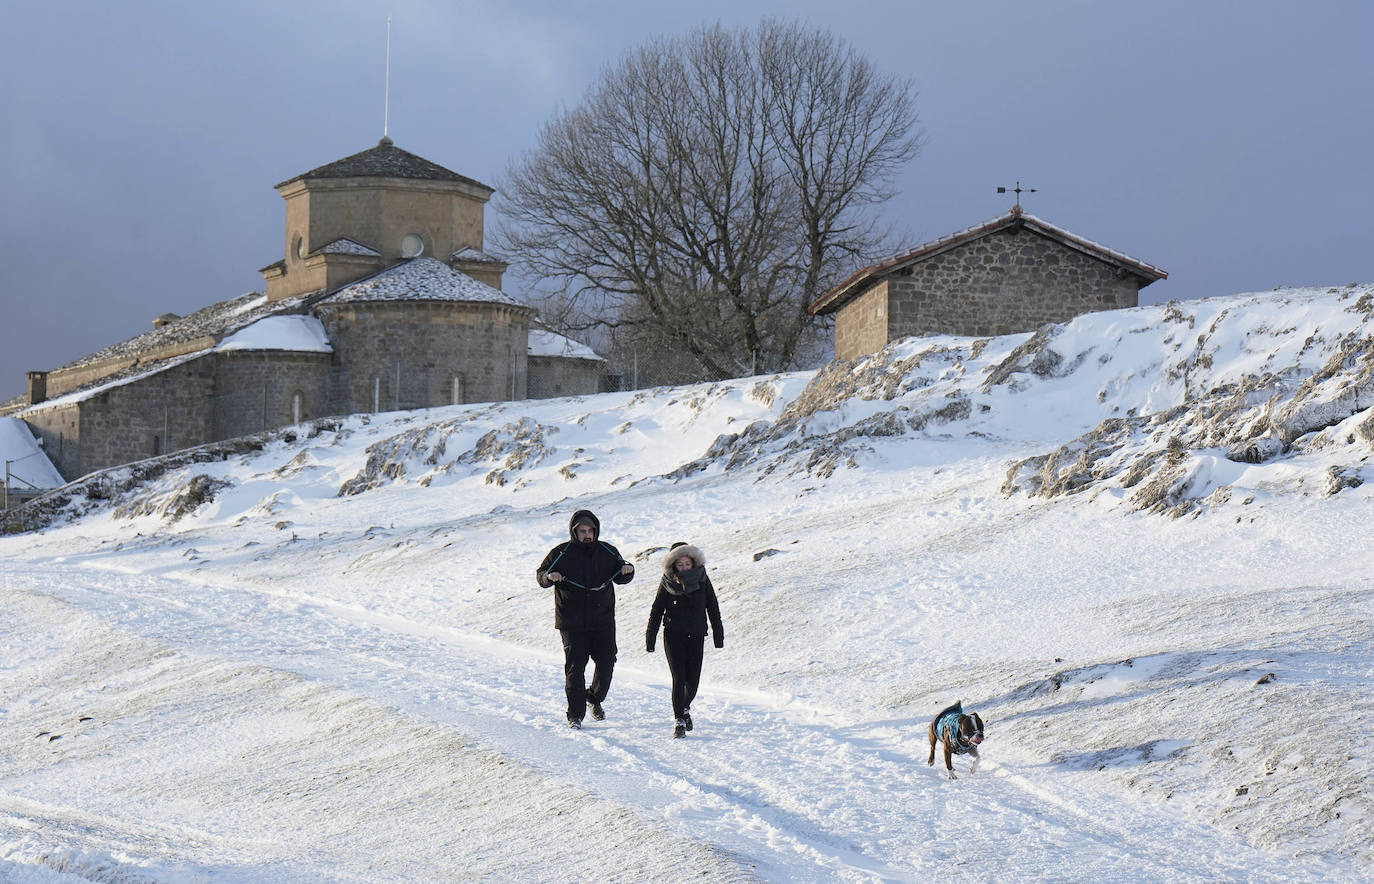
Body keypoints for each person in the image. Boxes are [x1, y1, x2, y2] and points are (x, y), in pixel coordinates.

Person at [536, 509, 635, 728]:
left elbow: (621, 574)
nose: (587, 534)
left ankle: (594, 698)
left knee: (607, 661)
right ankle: (575, 715)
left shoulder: (607, 551)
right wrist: (549, 577)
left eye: (590, 530)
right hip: (571, 621)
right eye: (582, 531)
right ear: (574, 532)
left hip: (603, 620)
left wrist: (628, 570)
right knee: (575, 667)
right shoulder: (561, 553)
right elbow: (541, 575)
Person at [645, 541, 724, 739]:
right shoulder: (667, 582)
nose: (684, 567)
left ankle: (685, 707)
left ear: (693, 562)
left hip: (696, 635)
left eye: (687, 563)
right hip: (673, 635)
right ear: (673, 565)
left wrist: (718, 634)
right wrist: (650, 637)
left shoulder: (703, 580)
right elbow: (656, 610)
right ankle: (679, 719)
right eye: (679, 564)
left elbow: (712, 607)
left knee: (693, 681)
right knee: (679, 678)